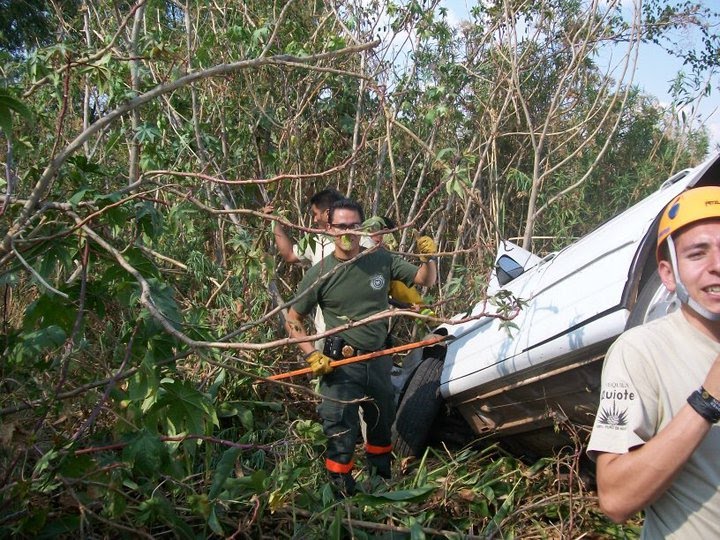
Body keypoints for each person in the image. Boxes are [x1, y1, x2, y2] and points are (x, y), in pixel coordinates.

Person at [587, 186, 720, 538]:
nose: (717, 266)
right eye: (697, 254)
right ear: (668, 274)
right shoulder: (640, 352)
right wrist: (707, 400)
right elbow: (615, 498)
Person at [284, 198, 437, 497]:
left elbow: (424, 281)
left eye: (354, 226)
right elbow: (292, 321)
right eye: (341, 226)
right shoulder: (320, 274)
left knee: (381, 426)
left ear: (362, 228)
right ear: (329, 230)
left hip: (379, 360)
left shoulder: (381, 260)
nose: (347, 233)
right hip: (339, 366)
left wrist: (427, 259)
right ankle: (341, 496)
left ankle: (380, 485)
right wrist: (312, 355)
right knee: (339, 431)